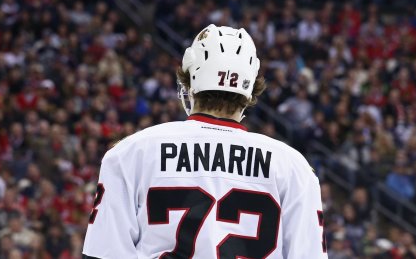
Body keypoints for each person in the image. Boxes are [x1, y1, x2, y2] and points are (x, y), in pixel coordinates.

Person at [82, 24, 327, 258]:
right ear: (250, 89)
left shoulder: (131, 153)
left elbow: (103, 254)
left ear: (191, 82)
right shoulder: (294, 167)